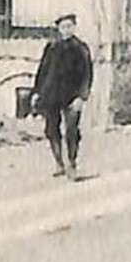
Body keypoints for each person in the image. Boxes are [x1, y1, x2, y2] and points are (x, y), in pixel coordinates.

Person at [30, 14, 93, 181]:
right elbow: (42, 71)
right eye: (63, 27)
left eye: (70, 26)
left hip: (72, 96)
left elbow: (87, 74)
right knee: (51, 129)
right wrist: (36, 92)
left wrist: (81, 97)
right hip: (51, 94)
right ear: (58, 29)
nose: (67, 30)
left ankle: (72, 163)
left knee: (72, 130)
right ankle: (59, 163)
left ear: (74, 27)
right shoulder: (51, 47)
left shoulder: (81, 48)